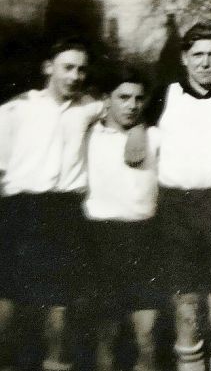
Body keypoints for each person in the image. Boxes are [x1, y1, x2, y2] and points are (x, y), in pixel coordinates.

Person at [138, 24, 211, 371]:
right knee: (185, 310)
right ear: (185, 58)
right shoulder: (162, 96)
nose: (205, 63)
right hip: (174, 211)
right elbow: (123, 121)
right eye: (198, 54)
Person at [0, 38, 102, 371]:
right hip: (20, 210)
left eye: (82, 69)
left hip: (65, 212)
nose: (75, 76)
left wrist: (139, 130)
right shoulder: (15, 110)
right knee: (9, 301)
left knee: (61, 304)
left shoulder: (89, 107)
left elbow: (129, 104)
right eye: (68, 67)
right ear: (49, 68)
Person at [82, 66, 164, 371]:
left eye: (138, 98)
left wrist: (140, 127)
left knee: (147, 335)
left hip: (145, 238)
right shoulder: (88, 135)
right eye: (124, 97)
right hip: (99, 239)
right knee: (106, 333)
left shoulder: (155, 136)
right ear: (107, 99)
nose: (132, 105)